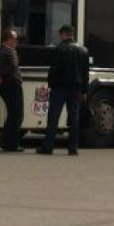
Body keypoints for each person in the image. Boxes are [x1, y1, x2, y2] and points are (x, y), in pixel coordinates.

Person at [37, 24, 90, 156]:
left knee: (53, 118)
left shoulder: (59, 49)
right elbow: (85, 74)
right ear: (72, 34)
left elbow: (54, 69)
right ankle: (73, 148)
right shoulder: (83, 50)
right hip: (76, 89)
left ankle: (48, 147)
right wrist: (84, 91)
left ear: (63, 34)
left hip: (60, 88)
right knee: (74, 119)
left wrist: (50, 84)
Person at [0, 29, 24, 152]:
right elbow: (13, 66)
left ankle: (5, 140)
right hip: (13, 84)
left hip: (3, 86)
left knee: (12, 113)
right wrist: (2, 75)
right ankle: (11, 143)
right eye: (14, 39)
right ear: (9, 39)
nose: (16, 42)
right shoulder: (11, 51)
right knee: (17, 114)